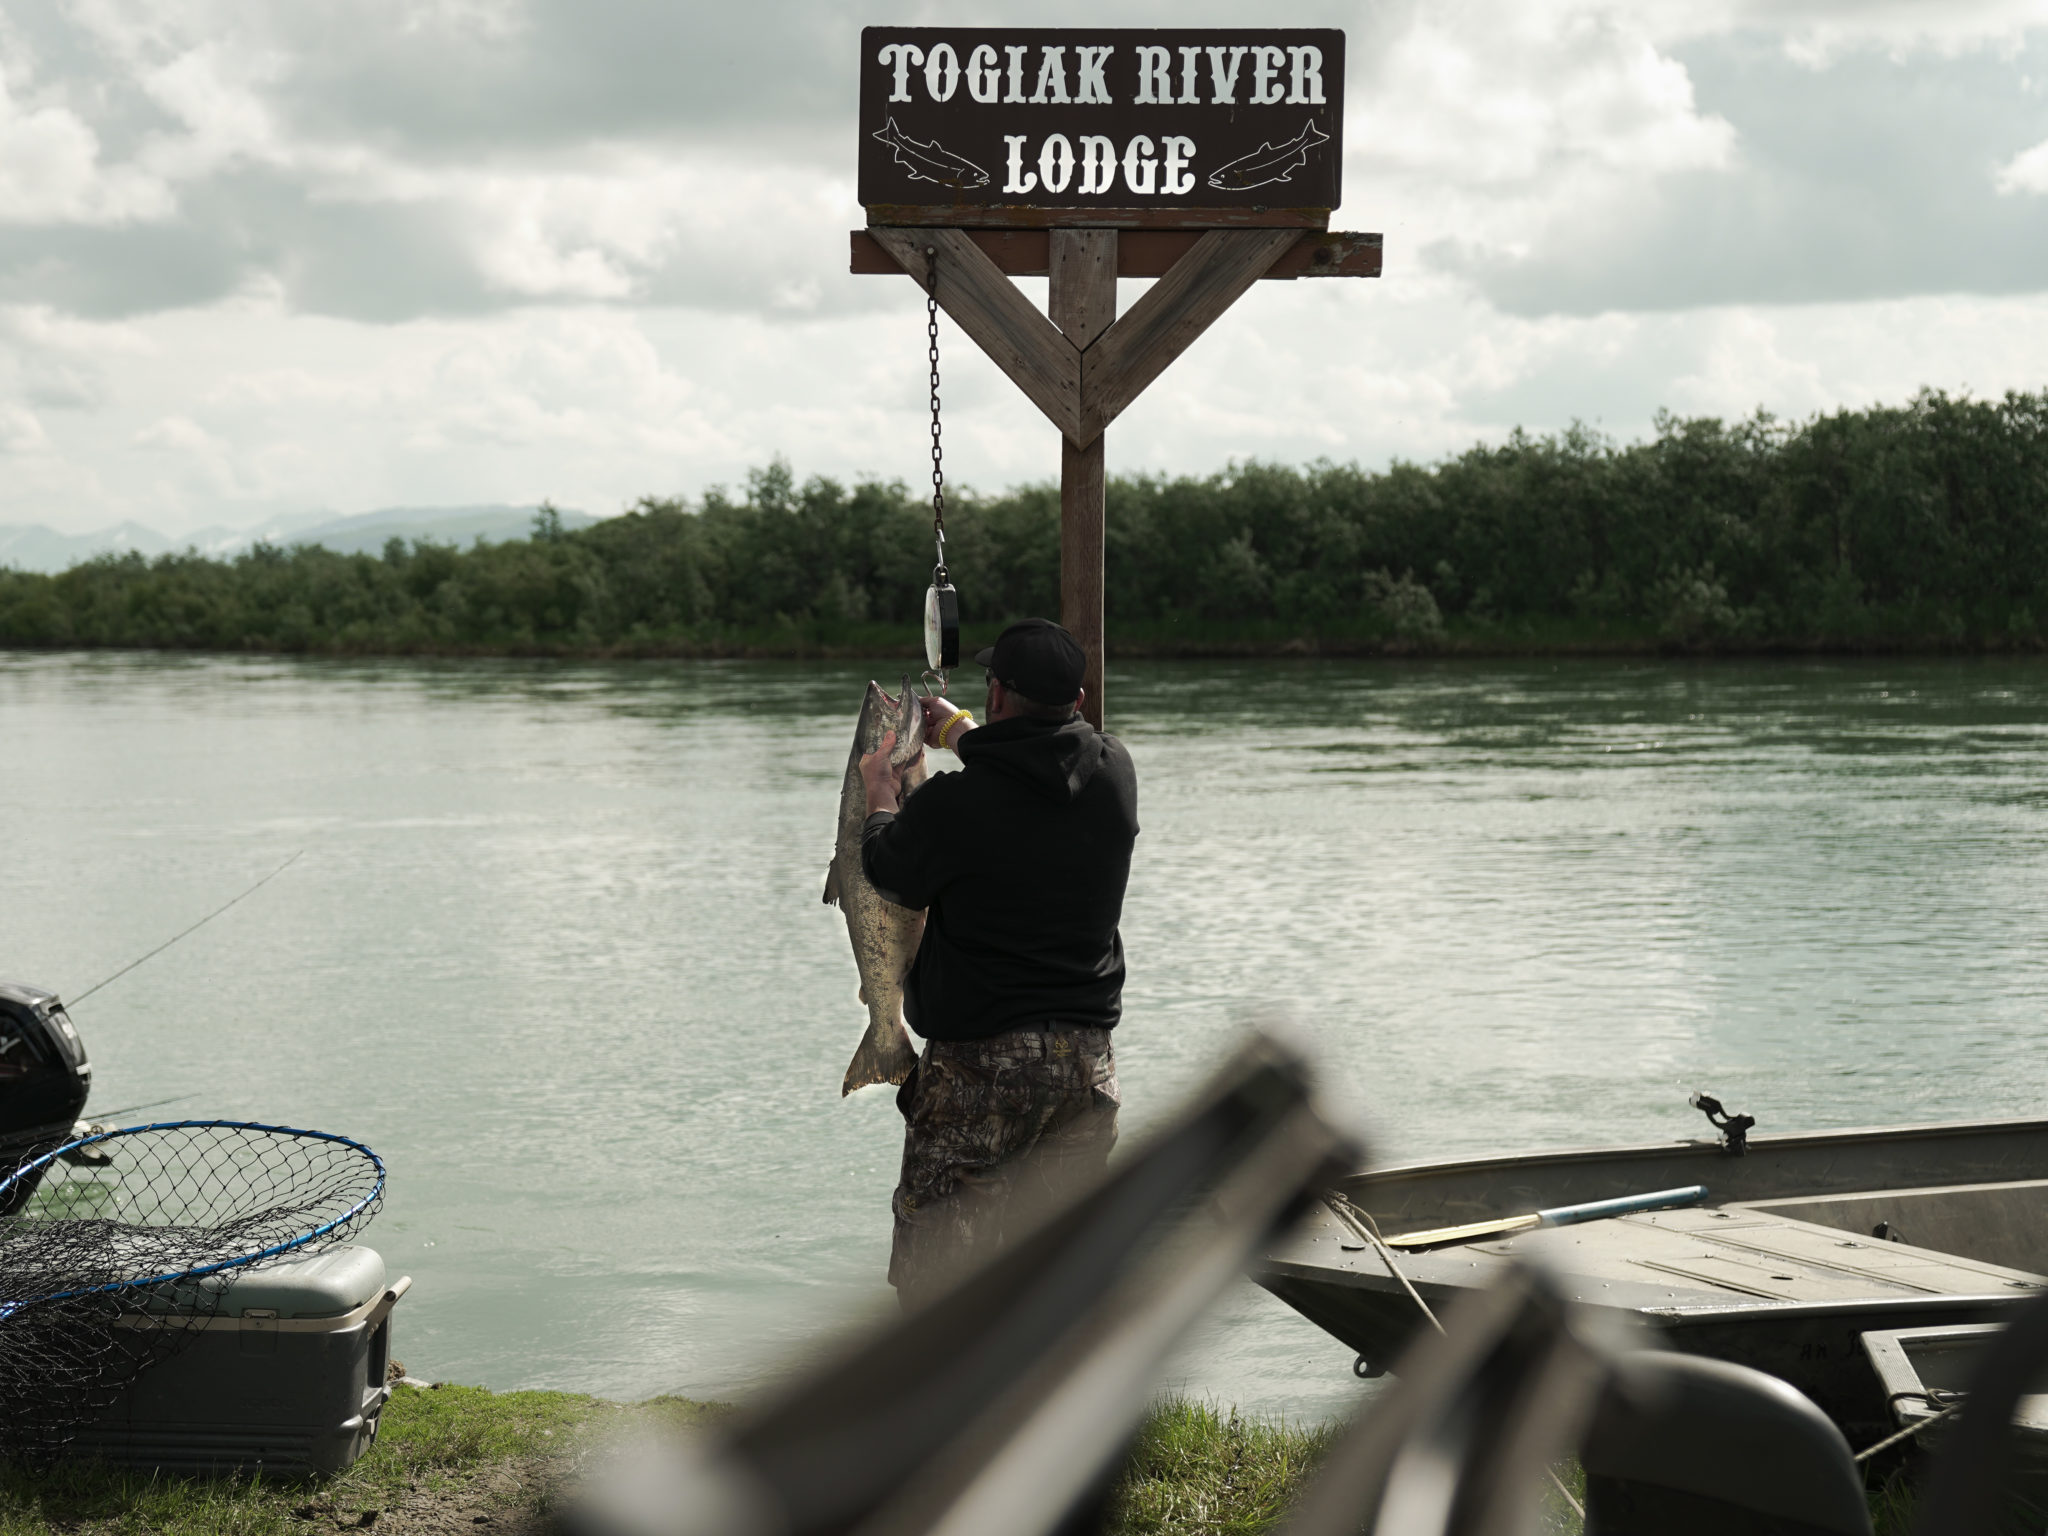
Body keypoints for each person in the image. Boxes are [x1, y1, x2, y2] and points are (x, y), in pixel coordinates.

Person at [858, 617, 1140, 1308]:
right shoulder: (1114, 771)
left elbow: (889, 871)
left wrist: (879, 800)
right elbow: (1032, 763)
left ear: (1002, 697)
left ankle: (934, 1405)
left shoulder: (959, 803)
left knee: (938, 1262)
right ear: (1076, 698)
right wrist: (955, 728)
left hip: (982, 1065)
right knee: (1063, 1256)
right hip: (1085, 1063)